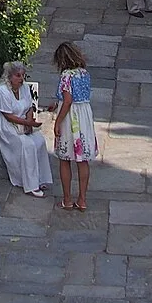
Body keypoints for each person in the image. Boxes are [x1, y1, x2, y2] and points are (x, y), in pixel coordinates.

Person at [0, 59, 52, 195]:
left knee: (40, 141)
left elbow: (29, 107)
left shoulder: (24, 87)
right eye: (18, 75)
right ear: (9, 76)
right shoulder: (2, 91)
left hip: (24, 123)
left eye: (23, 75)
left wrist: (29, 121)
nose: (21, 79)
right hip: (7, 126)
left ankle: (41, 179)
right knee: (27, 145)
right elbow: (8, 116)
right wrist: (27, 124)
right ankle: (30, 184)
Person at [52, 42, 100, 210]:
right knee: (82, 160)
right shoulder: (84, 74)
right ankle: (82, 199)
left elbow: (67, 101)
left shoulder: (66, 76)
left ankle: (67, 199)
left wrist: (57, 121)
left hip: (70, 119)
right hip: (84, 115)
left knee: (65, 159)